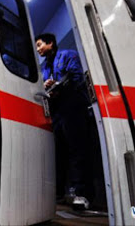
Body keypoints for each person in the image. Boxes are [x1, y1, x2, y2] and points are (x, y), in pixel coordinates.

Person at [35, 33, 91, 210]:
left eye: (39, 45)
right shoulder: (44, 67)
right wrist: (45, 86)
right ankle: (60, 193)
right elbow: (44, 88)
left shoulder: (68, 55)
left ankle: (81, 193)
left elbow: (76, 78)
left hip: (73, 108)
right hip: (57, 112)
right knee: (60, 152)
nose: (38, 49)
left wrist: (58, 85)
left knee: (77, 150)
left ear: (50, 43)